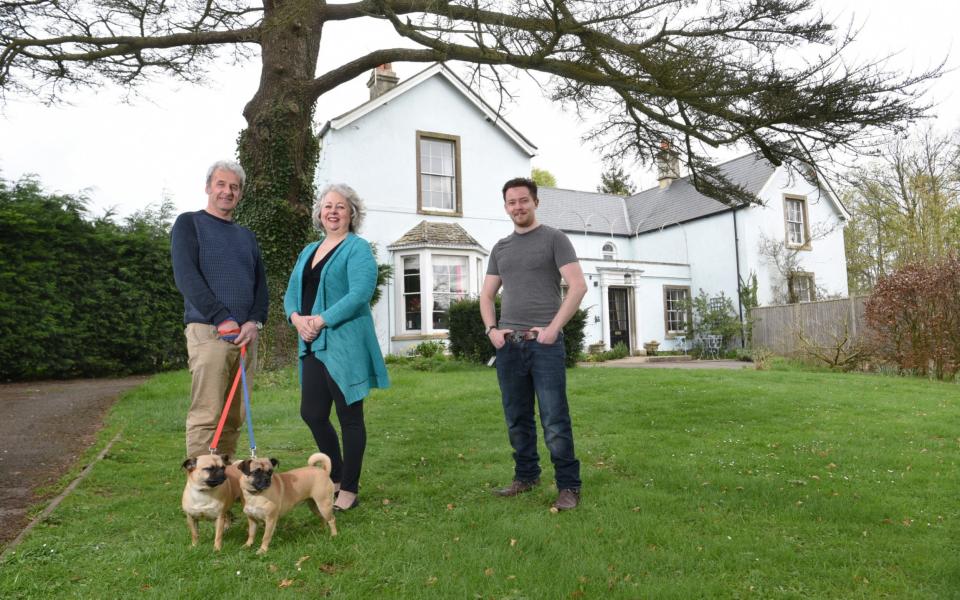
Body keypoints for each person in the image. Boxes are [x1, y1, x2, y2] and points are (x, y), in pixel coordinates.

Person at [479, 177, 588, 511]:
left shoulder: (554, 239)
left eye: (523, 200)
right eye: (511, 202)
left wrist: (554, 329)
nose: (518, 207)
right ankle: (526, 476)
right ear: (506, 207)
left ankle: (568, 486)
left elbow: (578, 286)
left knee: (555, 419)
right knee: (517, 417)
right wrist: (491, 330)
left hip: (544, 345)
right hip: (509, 346)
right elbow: (486, 294)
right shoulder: (501, 248)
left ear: (536, 202)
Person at [284, 183, 389, 512]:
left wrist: (320, 320)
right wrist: (297, 318)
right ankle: (338, 476)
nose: (333, 211)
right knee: (312, 413)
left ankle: (350, 490)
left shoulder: (357, 249)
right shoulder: (308, 251)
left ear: (352, 214)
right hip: (312, 343)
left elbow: (360, 293)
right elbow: (291, 292)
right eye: (327, 206)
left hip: (344, 343)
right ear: (319, 213)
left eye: (340, 206)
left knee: (349, 416)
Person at [171, 160, 268, 459]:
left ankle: (223, 484)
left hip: (245, 337)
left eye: (234, 187)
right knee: (207, 414)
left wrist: (254, 322)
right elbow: (186, 276)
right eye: (221, 184)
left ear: (240, 194)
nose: (227, 192)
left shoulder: (246, 237)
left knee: (233, 417)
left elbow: (260, 287)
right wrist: (221, 317)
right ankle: (201, 491)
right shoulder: (189, 224)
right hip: (209, 331)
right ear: (208, 187)